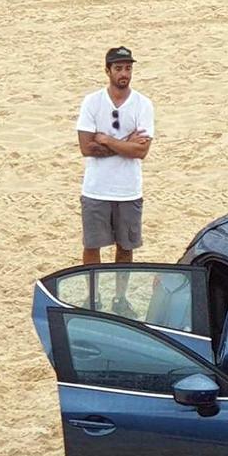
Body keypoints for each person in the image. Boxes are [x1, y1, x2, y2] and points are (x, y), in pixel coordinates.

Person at [76, 46, 155, 315]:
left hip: (128, 190)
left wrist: (108, 140)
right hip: (96, 189)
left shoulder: (143, 104)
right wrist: (125, 144)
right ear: (107, 70)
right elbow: (86, 147)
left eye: (128, 68)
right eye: (119, 68)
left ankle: (120, 298)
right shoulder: (92, 102)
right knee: (92, 245)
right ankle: (92, 297)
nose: (124, 73)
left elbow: (142, 151)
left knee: (126, 247)